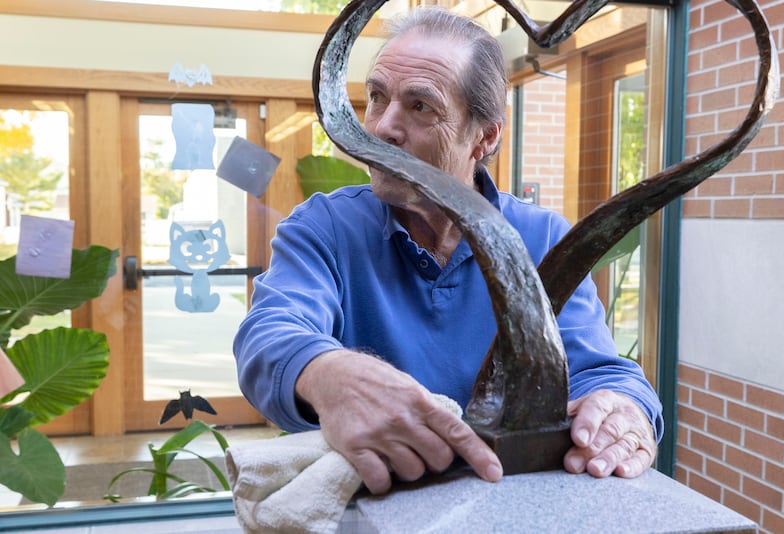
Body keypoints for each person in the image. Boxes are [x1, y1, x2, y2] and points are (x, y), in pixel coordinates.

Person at [233, 7, 663, 495]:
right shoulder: (324, 227)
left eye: (420, 107)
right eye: (377, 97)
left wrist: (620, 409)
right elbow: (269, 336)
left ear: (485, 137)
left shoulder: (542, 238)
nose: (382, 128)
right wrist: (329, 374)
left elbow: (599, 370)